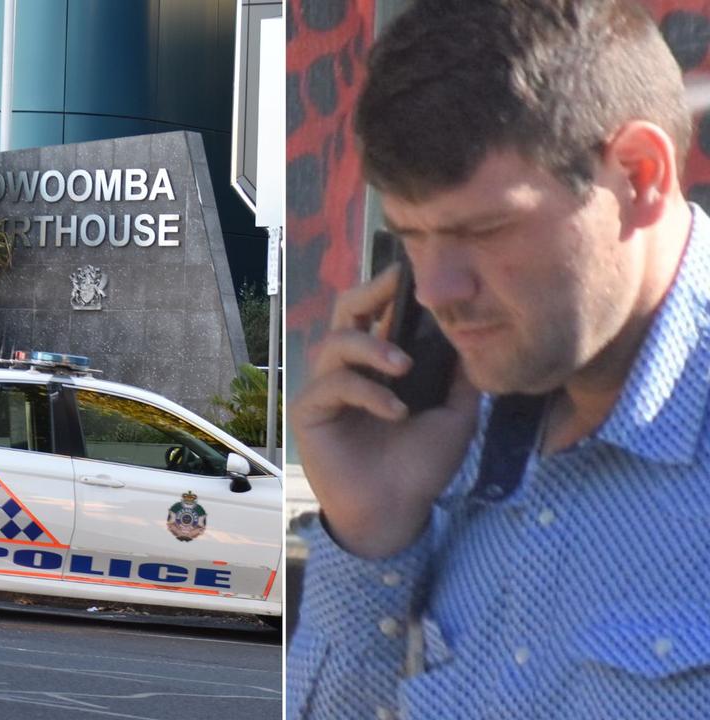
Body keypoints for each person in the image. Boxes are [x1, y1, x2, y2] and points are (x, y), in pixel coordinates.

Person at [287, 0, 710, 717]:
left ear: (639, 177)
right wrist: (371, 534)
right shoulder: (436, 434)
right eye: (410, 236)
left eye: (485, 229)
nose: (436, 291)